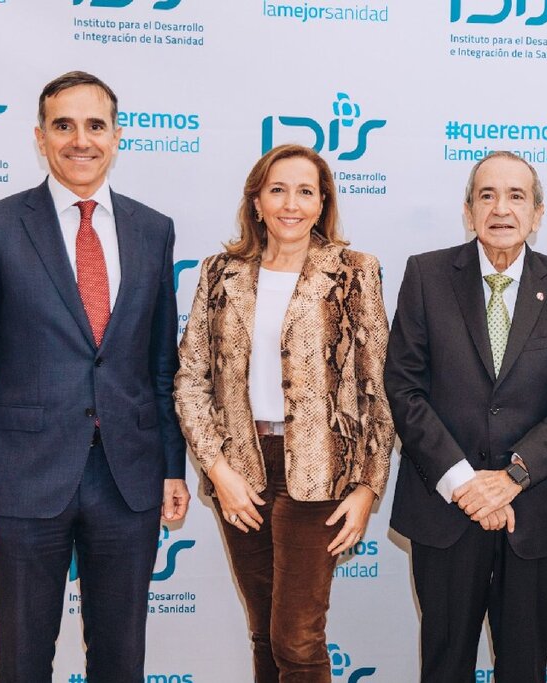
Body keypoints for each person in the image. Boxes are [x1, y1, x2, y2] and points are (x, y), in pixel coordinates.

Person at [0, 71, 189, 681]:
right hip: (24, 481)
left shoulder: (152, 229)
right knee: (24, 660)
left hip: (128, 481)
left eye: (95, 125)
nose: (81, 140)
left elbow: (163, 366)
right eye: (64, 125)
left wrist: (170, 466)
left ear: (117, 136)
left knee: (121, 661)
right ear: (40, 137)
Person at [174, 143, 394, 682]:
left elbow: (378, 389)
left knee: (296, 637)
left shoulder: (353, 271)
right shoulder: (219, 272)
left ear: (322, 204)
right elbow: (190, 379)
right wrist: (218, 471)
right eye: (277, 189)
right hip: (241, 471)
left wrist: (368, 487)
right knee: (263, 631)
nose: (290, 203)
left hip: (321, 475)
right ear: (256, 202)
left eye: (305, 191)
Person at [385, 151, 547, 682]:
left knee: (524, 668)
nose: (501, 208)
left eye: (517, 196)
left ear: (538, 214)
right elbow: (404, 388)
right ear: (468, 210)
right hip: (446, 511)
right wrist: (464, 484)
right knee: (445, 665)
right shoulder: (427, 275)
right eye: (487, 195)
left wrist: (511, 479)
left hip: (534, 510)